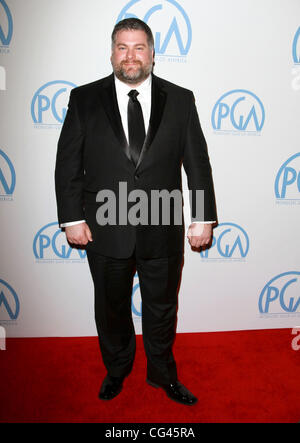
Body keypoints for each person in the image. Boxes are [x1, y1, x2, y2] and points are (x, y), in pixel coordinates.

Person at [55, 18, 217, 406]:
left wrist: (202, 217)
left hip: (161, 226)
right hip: (104, 229)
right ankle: (117, 369)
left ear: (152, 54)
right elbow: (67, 164)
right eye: (122, 47)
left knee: (162, 309)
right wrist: (71, 218)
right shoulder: (84, 98)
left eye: (139, 47)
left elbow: (197, 162)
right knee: (111, 310)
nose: (130, 56)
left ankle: (163, 374)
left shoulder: (180, 99)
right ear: (112, 52)